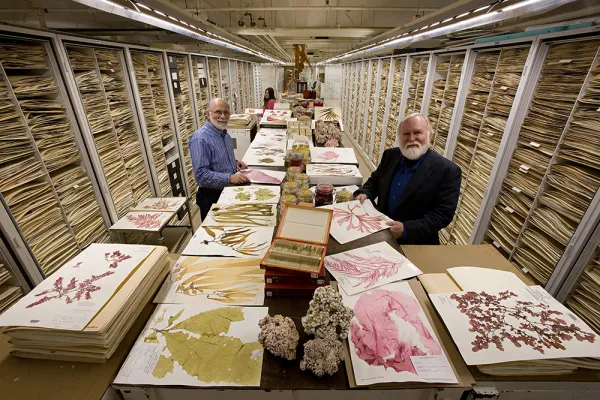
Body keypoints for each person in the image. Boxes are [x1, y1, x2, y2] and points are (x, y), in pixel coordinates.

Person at [354, 113, 461, 245]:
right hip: (380, 233)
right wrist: (364, 192)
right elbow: (375, 180)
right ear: (399, 137)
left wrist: (406, 230)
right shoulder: (390, 155)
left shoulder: (447, 171)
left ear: (429, 135)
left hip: (416, 243)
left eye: (417, 132)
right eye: (406, 134)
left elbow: (442, 215)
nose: (411, 138)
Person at [189, 98, 250, 220]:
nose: (223, 116)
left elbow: (219, 158)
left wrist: (235, 163)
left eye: (226, 112)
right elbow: (201, 175)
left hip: (227, 191)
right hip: (211, 197)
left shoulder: (224, 133)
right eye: (218, 112)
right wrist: (230, 177)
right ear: (208, 114)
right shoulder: (200, 139)